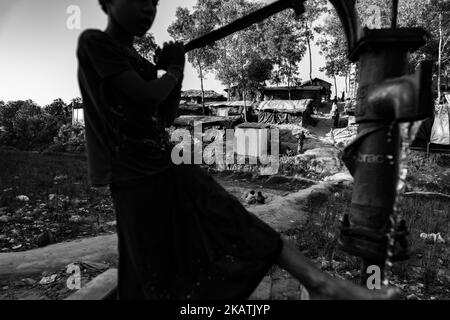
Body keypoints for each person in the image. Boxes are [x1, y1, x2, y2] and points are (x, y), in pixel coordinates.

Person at [76, 0, 399, 300]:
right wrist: (172, 71)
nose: (149, 8)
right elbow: (147, 98)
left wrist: (173, 70)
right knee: (148, 260)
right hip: (132, 171)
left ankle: (319, 283)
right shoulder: (96, 42)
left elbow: (164, 115)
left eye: (155, 2)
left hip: (160, 161)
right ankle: (319, 283)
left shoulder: (140, 62)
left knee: (225, 217)